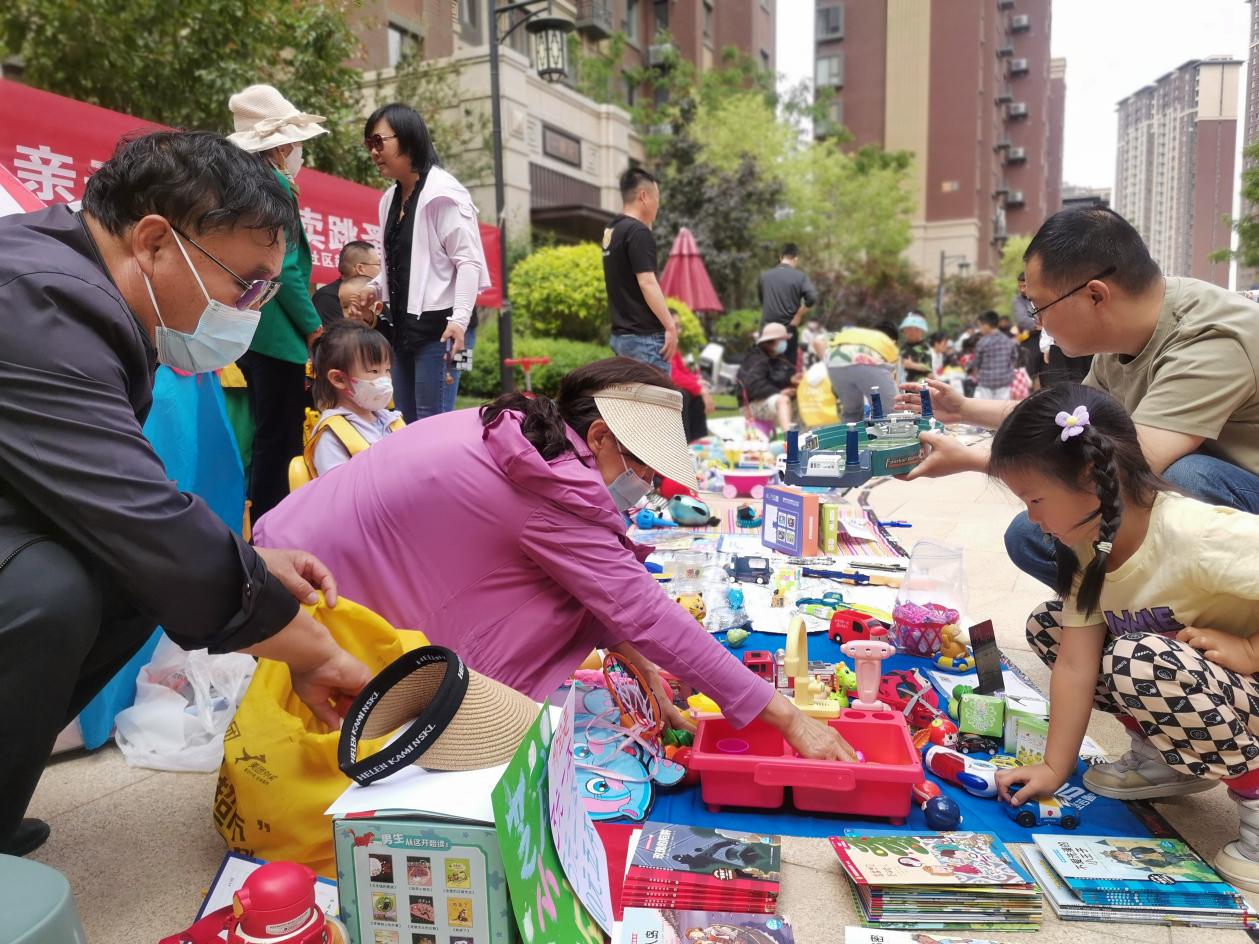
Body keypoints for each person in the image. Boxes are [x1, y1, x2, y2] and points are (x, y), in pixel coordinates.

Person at [0, 130, 371, 857]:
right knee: (54, 587)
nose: (253, 309)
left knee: (129, 575)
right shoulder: (34, 302)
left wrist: (251, 569)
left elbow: (112, 503)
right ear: (155, 241)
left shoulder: (71, 287)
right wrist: (310, 650)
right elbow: (134, 517)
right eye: (250, 283)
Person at [253, 358, 853, 762]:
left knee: (570, 597)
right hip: (310, 600)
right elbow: (641, 609)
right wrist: (787, 719)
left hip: (291, 564)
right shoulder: (551, 492)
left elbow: (601, 592)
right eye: (643, 465)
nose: (649, 485)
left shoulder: (520, 434)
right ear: (598, 439)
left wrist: (643, 668)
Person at [898, 206, 1259, 588]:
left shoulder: (1211, 339)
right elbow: (1069, 422)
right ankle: (1116, 617)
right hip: (1193, 489)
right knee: (1034, 535)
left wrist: (972, 458)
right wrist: (964, 409)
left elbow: (1131, 462)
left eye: (1039, 306)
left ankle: (1216, 629)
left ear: (1095, 295)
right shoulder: (1125, 332)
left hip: (1237, 501)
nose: (1038, 322)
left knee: (1182, 479)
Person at [989, 384, 1259, 892]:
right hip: (1216, 692)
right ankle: (1166, 757)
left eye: (1035, 499)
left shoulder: (1194, 533)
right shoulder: (1093, 548)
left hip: (1246, 691)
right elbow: (1074, 664)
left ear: (1091, 477)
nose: (1032, 518)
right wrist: (1053, 766)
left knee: (1140, 658)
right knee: (1051, 628)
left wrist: (1249, 649)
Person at [226, 84, 329, 522]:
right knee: (280, 436)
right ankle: (275, 524)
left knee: (256, 434)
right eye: (297, 143)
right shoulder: (277, 188)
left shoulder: (241, 185)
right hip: (278, 334)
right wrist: (313, 326)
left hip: (248, 326)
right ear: (284, 144)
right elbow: (283, 269)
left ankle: (257, 518)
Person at [356, 103, 490, 422]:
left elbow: (468, 262)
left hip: (442, 330)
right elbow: (405, 263)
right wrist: (376, 287)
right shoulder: (389, 198)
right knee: (405, 417)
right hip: (403, 327)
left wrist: (458, 320)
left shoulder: (444, 194)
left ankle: (442, 475)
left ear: (408, 138)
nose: (373, 152)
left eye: (379, 142)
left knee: (433, 422)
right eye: (368, 145)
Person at [602, 168, 676, 373]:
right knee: (657, 405)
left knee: (632, 405)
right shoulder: (637, 231)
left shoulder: (613, 230)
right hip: (645, 340)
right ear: (643, 196)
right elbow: (647, 282)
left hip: (622, 338)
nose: (658, 205)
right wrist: (670, 327)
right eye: (657, 198)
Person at [308, 321, 403, 477]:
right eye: (374, 371)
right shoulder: (332, 436)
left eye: (387, 370)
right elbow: (338, 491)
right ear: (339, 379)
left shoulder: (391, 420)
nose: (385, 379)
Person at [816, 321, 900, 424]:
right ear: (894, 340)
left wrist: (828, 364)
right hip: (866, 360)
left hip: (834, 362)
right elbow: (893, 379)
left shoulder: (852, 333)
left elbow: (818, 341)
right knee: (892, 412)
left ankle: (849, 437)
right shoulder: (888, 343)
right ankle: (891, 436)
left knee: (852, 413)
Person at [757, 243, 818, 368]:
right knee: (788, 368)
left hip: (767, 331)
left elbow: (762, 300)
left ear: (781, 257)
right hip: (788, 330)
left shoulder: (764, 277)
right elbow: (811, 298)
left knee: (765, 367)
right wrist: (799, 313)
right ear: (795, 258)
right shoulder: (800, 277)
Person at [736, 323, 800, 434]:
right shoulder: (756, 359)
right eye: (782, 340)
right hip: (751, 405)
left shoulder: (779, 358)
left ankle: (806, 439)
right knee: (783, 400)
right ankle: (790, 439)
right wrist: (780, 392)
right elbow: (754, 386)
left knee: (803, 402)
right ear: (770, 342)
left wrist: (792, 380)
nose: (785, 343)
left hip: (769, 399)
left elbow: (777, 377)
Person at [313, 240, 382, 327]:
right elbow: (336, 337)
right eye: (378, 265)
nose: (381, 271)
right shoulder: (326, 297)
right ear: (360, 268)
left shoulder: (376, 293)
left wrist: (371, 318)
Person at [669, 311, 713, 443]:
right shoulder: (660, 346)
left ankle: (697, 441)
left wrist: (698, 382)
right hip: (658, 388)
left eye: (679, 326)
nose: (679, 331)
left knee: (695, 394)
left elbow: (683, 371)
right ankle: (685, 444)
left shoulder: (673, 347)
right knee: (684, 394)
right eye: (675, 326)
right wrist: (699, 389)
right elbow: (673, 375)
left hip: (670, 383)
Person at [971, 310, 1018, 400]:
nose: (979, 329)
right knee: (1002, 408)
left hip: (986, 381)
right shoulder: (1008, 340)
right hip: (1004, 380)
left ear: (986, 326)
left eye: (980, 326)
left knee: (986, 408)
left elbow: (977, 362)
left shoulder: (982, 342)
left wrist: (976, 374)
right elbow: (1014, 357)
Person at [898, 311, 932, 383]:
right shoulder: (903, 347)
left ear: (922, 331)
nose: (912, 332)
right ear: (904, 331)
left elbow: (928, 367)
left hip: (920, 385)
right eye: (909, 329)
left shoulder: (925, 347)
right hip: (903, 384)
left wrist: (912, 365)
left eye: (916, 329)